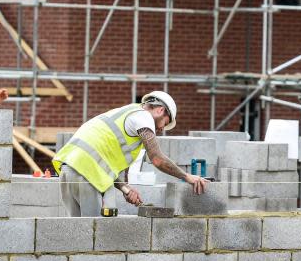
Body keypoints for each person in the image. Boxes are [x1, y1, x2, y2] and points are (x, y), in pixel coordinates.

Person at [52, 91, 210, 217]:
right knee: (94, 235)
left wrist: (126, 189)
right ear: (160, 110)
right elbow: (157, 159)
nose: (162, 129)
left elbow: (101, 165)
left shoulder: (126, 113)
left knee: (76, 235)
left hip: (69, 170)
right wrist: (188, 177)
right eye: (165, 123)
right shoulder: (144, 116)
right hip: (87, 176)